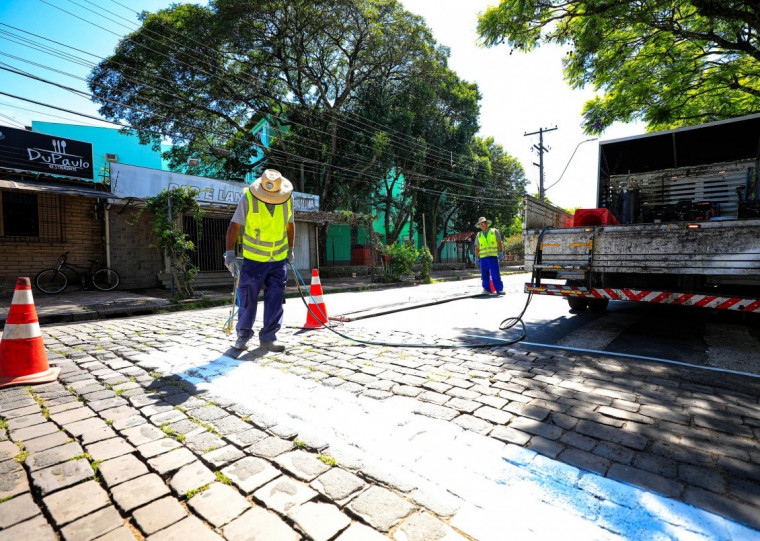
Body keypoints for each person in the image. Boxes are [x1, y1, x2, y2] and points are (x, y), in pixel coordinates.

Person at [223, 169, 295, 351]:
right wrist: (230, 253)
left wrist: (291, 249)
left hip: (278, 260)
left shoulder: (287, 199)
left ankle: (269, 338)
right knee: (247, 299)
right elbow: (234, 225)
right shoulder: (248, 198)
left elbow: (290, 224)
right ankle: (243, 335)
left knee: (275, 299)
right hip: (253, 261)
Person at [473, 216, 504, 295]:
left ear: (486, 223)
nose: (482, 225)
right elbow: (477, 247)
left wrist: (501, 253)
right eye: (480, 224)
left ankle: (499, 289)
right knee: (484, 274)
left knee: (495, 273)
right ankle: (487, 289)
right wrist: (476, 258)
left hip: (493, 257)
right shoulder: (479, 235)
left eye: (483, 223)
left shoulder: (494, 231)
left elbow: (499, 242)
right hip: (483, 258)